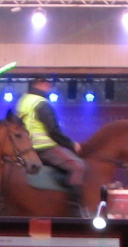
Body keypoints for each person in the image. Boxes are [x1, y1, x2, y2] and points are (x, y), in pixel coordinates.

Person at [16, 76, 86, 215]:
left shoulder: (23, 102)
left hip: (27, 148)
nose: (49, 86)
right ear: (39, 83)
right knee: (79, 167)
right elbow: (53, 131)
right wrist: (71, 144)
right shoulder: (41, 103)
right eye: (47, 83)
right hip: (45, 148)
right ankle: (75, 209)